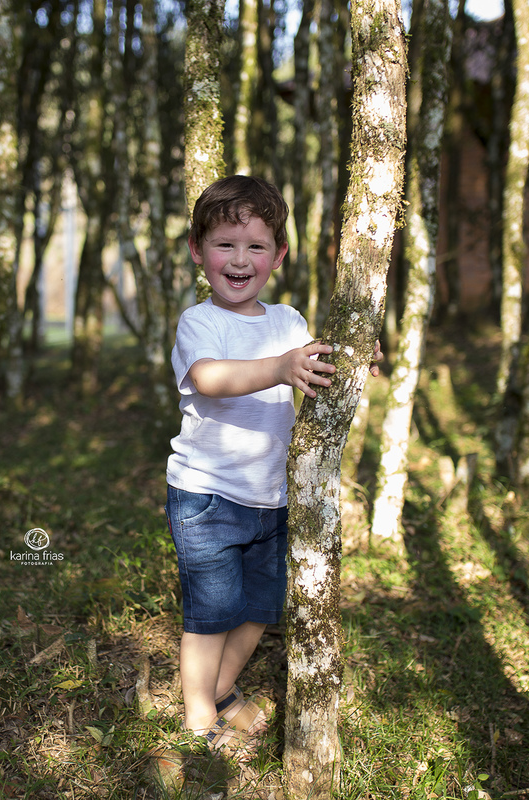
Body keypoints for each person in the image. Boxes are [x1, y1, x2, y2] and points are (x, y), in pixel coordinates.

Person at [164, 175, 364, 759]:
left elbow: (311, 363)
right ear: (200, 252)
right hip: (206, 496)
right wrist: (279, 368)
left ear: (277, 256)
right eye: (225, 244)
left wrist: (352, 355)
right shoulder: (200, 322)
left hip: (269, 498)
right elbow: (210, 379)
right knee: (210, 614)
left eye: (255, 246)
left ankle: (221, 690)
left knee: (256, 609)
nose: (240, 259)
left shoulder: (286, 321)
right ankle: (201, 720)